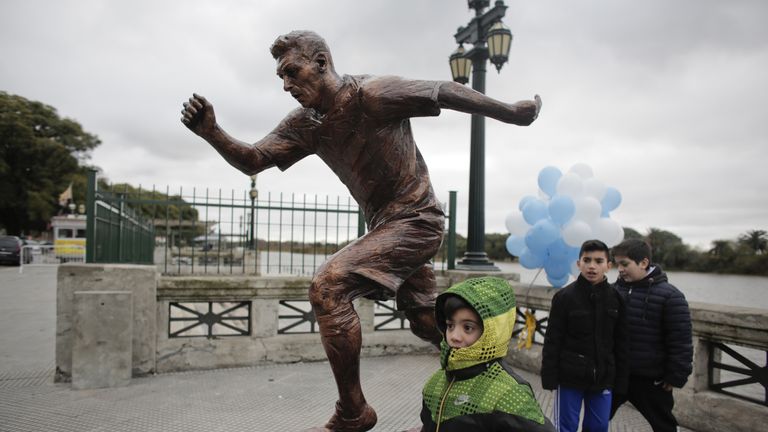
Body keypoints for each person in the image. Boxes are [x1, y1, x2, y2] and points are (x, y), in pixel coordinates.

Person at [181, 30, 542, 432]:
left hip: (418, 221)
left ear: (320, 62)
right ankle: (498, 377)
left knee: (328, 286)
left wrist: (511, 111)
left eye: (292, 72)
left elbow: (442, 90)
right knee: (426, 321)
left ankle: (353, 412)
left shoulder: (372, 94)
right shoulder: (306, 124)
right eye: (280, 78)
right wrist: (212, 133)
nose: (286, 85)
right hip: (386, 228)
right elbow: (254, 159)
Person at [410, 276, 554, 432]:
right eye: (450, 325)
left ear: (493, 331)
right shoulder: (435, 383)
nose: (454, 336)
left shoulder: (509, 394)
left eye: (468, 328)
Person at [541, 239, 628, 432]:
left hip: (603, 377)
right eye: (587, 260)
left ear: (608, 266)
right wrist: (549, 376)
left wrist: (621, 380)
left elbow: (621, 343)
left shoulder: (616, 299)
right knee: (566, 427)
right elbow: (553, 339)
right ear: (578, 264)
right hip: (569, 376)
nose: (592, 266)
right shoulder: (564, 297)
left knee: (598, 427)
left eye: (598, 261)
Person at [610, 238, 693, 432]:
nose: (620, 269)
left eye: (625, 264)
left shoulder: (671, 296)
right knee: (595, 420)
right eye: (617, 264)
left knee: (663, 425)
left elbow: (681, 340)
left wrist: (675, 376)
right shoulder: (612, 291)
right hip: (616, 374)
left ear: (644, 263)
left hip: (650, 379)